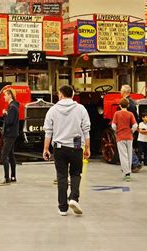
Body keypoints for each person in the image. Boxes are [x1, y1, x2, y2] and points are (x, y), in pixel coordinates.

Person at [43, 85, 90, 216]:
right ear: (73, 95)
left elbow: (48, 131)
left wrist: (46, 148)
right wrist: (87, 148)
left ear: (61, 95)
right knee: (75, 174)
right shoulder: (81, 109)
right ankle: (74, 198)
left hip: (59, 148)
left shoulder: (52, 110)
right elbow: (86, 129)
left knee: (62, 176)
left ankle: (63, 208)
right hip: (76, 147)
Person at [0, 89, 20, 186]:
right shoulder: (14, 106)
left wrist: (4, 114)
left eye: (5, 95)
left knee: (4, 155)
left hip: (10, 134)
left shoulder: (12, 107)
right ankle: (13, 176)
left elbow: (9, 121)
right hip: (12, 134)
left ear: (10, 95)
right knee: (11, 155)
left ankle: (6, 178)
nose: (4, 97)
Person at [112, 98, 138, 182]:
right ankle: (128, 172)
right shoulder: (130, 114)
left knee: (123, 155)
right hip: (129, 137)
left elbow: (113, 125)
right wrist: (131, 131)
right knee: (129, 154)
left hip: (120, 137)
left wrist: (117, 131)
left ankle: (126, 173)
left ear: (119, 105)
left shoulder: (117, 113)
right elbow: (135, 125)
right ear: (128, 105)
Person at [120, 85, 142, 172]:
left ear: (125, 92)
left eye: (121, 90)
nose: (120, 91)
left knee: (126, 147)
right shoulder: (133, 102)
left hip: (126, 128)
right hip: (131, 127)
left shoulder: (126, 103)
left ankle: (135, 163)